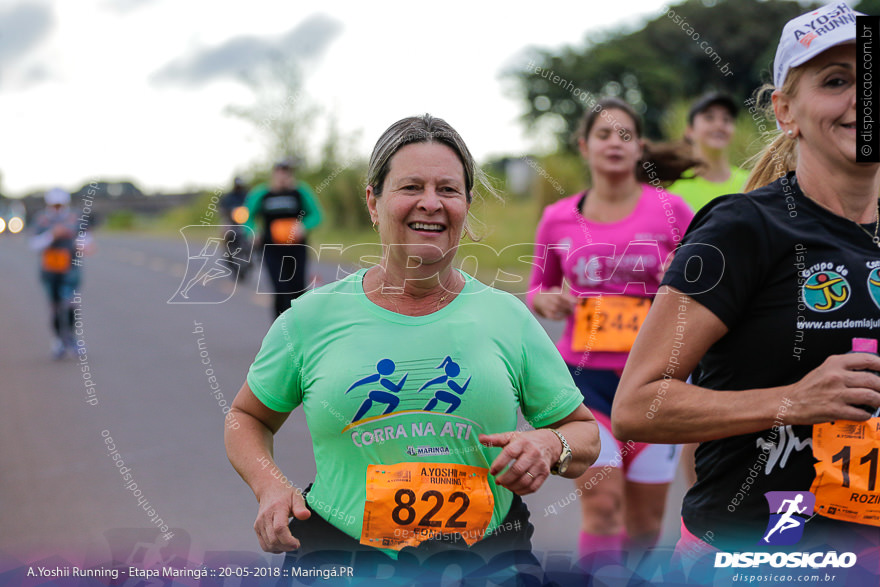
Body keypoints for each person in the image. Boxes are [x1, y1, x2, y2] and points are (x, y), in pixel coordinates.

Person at [225, 114, 600, 581]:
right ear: (373, 201)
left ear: (465, 204)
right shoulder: (309, 317)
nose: (431, 203)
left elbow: (584, 432)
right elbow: (247, 417)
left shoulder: (507, 316)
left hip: (488, 559)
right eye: (410, 187)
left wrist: (550, 443)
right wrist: (271, 487)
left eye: (448, 189)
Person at [612, 1, 880, 565]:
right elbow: (638, 406)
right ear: (786, 110)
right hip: (755, 556)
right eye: (835, 81)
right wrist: (794, 401)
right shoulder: (743, 227)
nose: (861, 97)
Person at [526, 98, 694, 564]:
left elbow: (708, 283)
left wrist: (678, 282)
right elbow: (537, 287)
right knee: (602, 508)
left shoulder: (672, 210)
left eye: (625, 135)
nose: (614, 144)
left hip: (656, 381)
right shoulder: (558, 217)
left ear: (640, 146)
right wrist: (545, 299)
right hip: (585, 385)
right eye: (603, 134)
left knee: (643, 525)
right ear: (584, 145)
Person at [244, 158, 323, 317]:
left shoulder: (300, 192)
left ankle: (299, 329)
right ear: (274, 174)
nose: (282, 176)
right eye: (279, 172)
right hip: (272, 248)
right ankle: (280, 330)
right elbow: (247, 217)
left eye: (286, 172)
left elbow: (317, 215)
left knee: (298, 289)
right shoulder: (262, 194)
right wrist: (252, 231)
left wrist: (304, 226)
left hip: (296, 248)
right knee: (280, 289)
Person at [29, 188, 90, 358]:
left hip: (70, 268)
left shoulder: (75, 218)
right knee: (54, 306)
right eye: (54, 205)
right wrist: (52, 236)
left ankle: (71, 338)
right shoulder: (41, 220)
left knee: (71, 303)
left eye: (60, 205)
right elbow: (33, 244)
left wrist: (84, 245)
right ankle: (58, 341)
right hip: (50, 270)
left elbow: (86, 238)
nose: (57, 208)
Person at [666, 93, 749, 213]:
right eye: (709, 118)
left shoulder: (751, 183)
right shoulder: (672, 189)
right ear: (689, 131)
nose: (719, 125)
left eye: (727, 119)